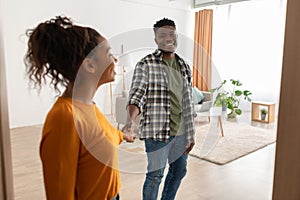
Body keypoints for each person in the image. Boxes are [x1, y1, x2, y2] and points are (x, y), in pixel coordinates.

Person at [24, 16, 135, 200]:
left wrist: (124, 135)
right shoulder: (64, 117)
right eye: (108, 54)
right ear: (90, 65)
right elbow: (60, 194)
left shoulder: (89, 107)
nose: (115, 59)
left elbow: (103, 136)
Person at [123, 18, 195, 200]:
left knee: (179, 171)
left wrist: (191, 133)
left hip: (181, 132)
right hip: (157, 133)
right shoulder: (145, 64)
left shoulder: (184, 66)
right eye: (162, 35)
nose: (168, 38)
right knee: (155, 176)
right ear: (156, 39)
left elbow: (188, 102)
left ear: (177, 36)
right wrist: (130, 122)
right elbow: (136, 96)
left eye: (171, 34)